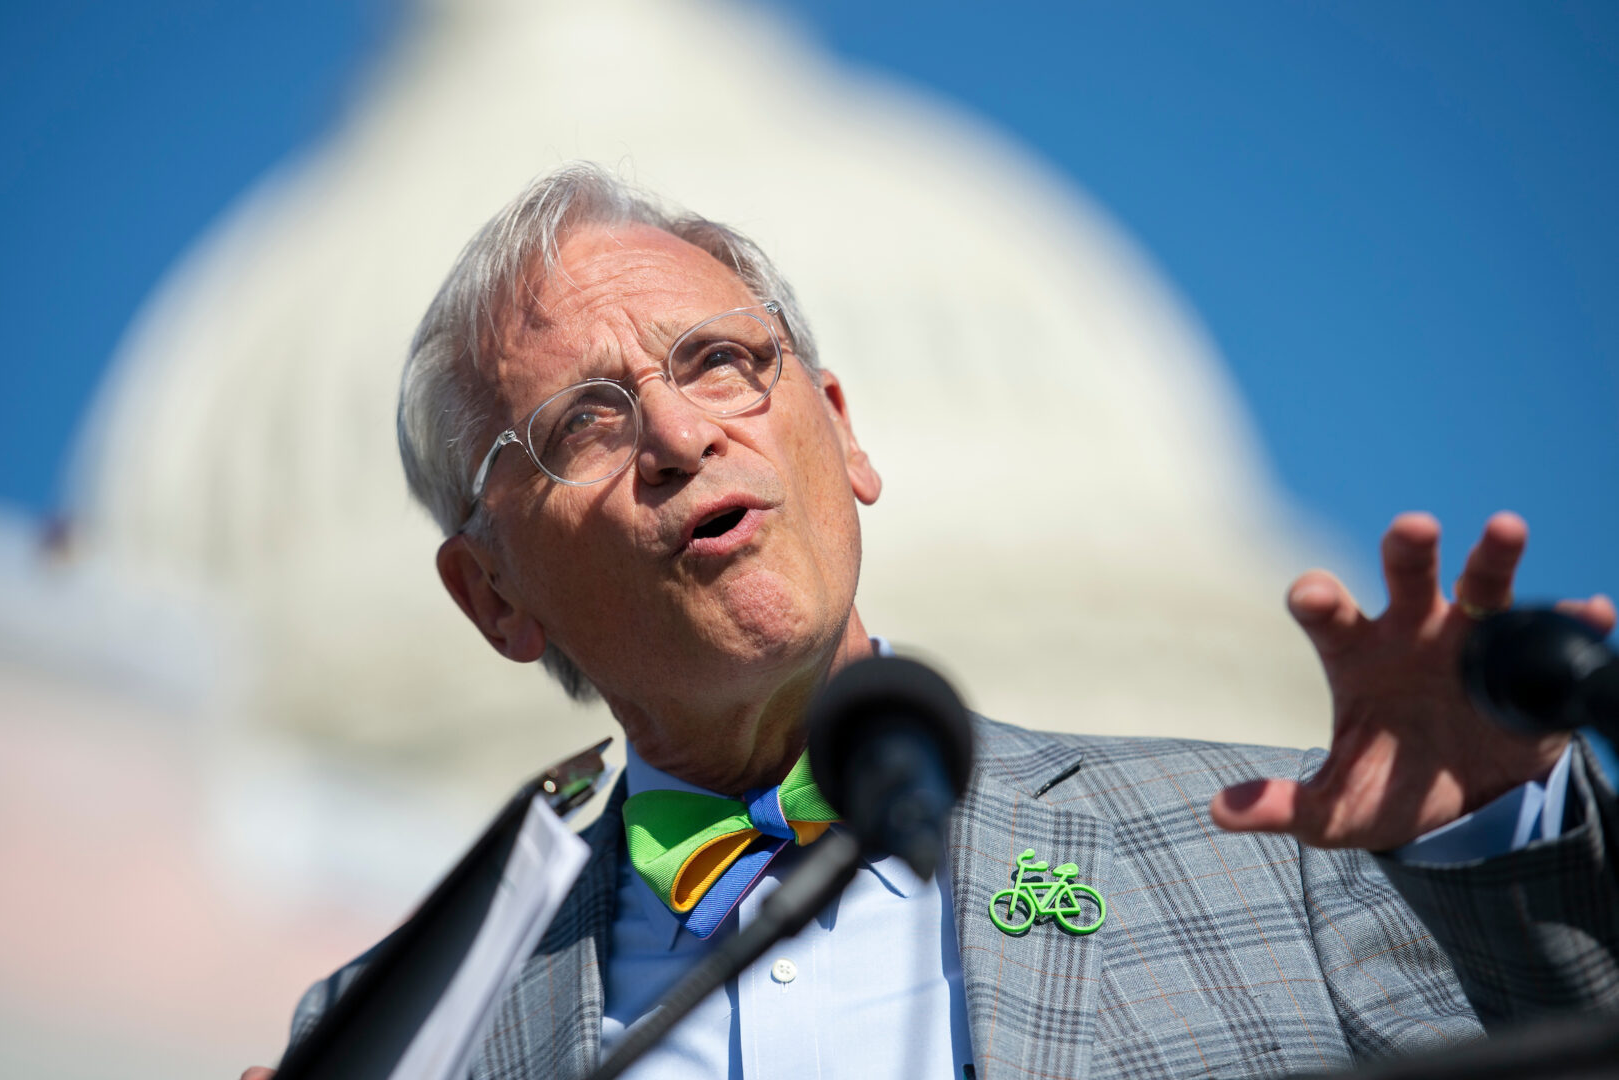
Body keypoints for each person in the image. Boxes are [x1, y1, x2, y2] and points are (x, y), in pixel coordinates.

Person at [248, 163, 1619, 1080]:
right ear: (495, 597)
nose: (676, 434)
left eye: (719, 362)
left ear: (839, 434)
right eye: (581, 425)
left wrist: (1491, 845)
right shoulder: (399, 1034)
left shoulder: (1268, 855)